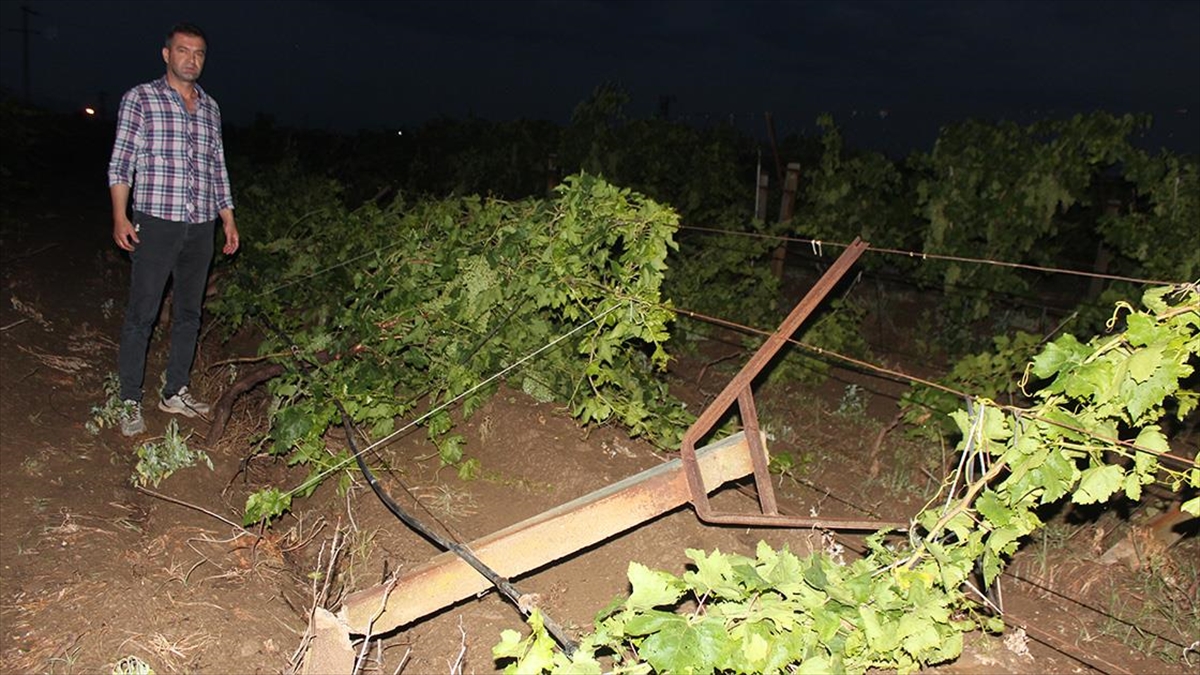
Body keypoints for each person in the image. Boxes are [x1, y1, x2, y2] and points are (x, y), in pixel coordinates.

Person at [107, 22, 239, 437]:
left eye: (199, 53)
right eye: (184, 51)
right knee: (142, 313)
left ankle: (175, 391)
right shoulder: (141, 99)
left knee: (188, 312)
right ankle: (129, 398)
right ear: (167, 55)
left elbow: (217, 167)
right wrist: (120, 215)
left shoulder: (211, 107)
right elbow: (121, 161)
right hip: (156, 221)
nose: (192, 59)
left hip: (200, 226)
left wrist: (228, 218)